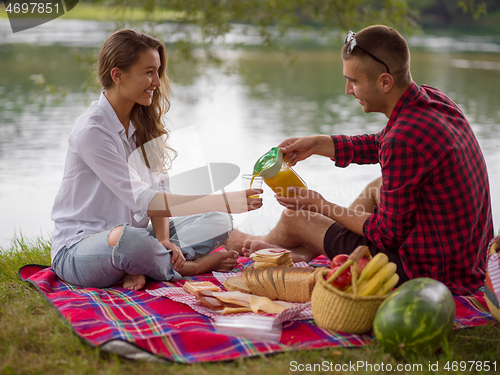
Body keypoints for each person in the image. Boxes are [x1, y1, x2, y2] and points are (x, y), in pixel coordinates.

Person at [224, 25, 494, 295]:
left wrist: (320, 204)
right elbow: (380, 143)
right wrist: (318, 144)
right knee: (380, 184)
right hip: (464, 261)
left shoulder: (402, 139)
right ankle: (300, 251)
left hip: (425, 272)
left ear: (385, 82)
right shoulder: (434, 100)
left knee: (296, 216)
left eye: (353, 81)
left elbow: (386, 234)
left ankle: (259, 250)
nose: (347, 90)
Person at [50, 29, 263, 291]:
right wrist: (226, 200)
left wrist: (162, 238)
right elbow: (144, 199)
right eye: (149, 72)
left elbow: (158, 190)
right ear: (118, 75)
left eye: (158, 72)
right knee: (127, 241)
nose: (157, 82)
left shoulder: (142, 123)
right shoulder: (92, 132)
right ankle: (189, 266)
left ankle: (148, 265)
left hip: (139, 237)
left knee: (217, 219)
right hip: (80, 249)